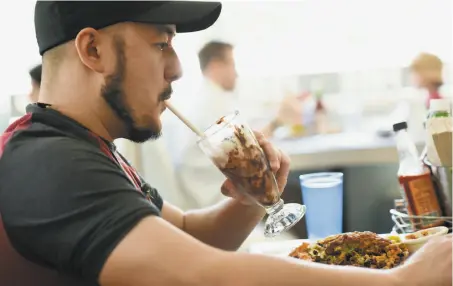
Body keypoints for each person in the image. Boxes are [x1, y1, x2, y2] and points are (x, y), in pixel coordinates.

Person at [0, 2, 450, 286]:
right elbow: (193, 274)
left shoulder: (89, 149)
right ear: (92, 50)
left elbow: (190, 237)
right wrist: (403, 281)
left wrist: (251, 199)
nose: (176, 69)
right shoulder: (48, 158)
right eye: (161, 45)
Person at [170, 40, 304, 210]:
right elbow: (245, 153)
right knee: (297, 194)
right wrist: (278, 121)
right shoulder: (212, 103)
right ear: (216, 66)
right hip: (214, 198)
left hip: (213, 192)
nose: (236, 74)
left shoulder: (211, 98)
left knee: (293, 190)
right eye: (232, 65)